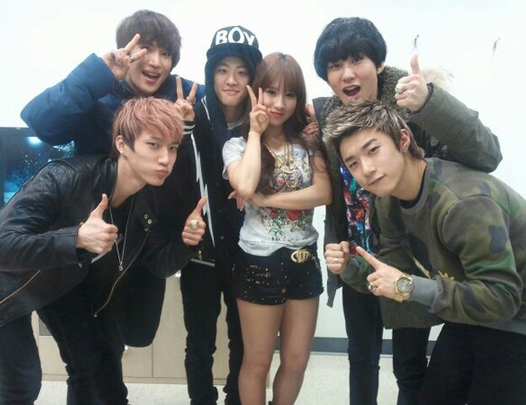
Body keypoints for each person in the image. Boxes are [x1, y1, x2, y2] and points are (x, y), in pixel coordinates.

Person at [312, 17, 502, 405]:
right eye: (335, 65)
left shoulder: (413, 103)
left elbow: (488, 154)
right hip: (357, 257)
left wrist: (432, 103)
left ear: (379, 63)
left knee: (409, 367)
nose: (347, 73)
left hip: (409, 261)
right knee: (360, 357)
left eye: (357, 59)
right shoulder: (326, 114)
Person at [0, 97, 207, 405]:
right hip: (3, 279)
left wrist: (186, 242)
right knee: (22, 381)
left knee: (92, 363)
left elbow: (158, 265)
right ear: (122, 144)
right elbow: (0, 249)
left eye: (172, 148)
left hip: (63, 277)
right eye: (153, 145)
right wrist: (76, 238)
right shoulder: (64, 177)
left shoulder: (147, 200)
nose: (166, 159)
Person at [324, 100, 526, 405]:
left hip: (517, 314)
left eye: (373, 150)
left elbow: (502, 298)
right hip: (475, 307)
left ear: (403, 139)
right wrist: (350, 267)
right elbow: (395, 269)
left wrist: (408, 287)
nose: (366, 169)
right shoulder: (388, 200)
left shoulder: (463, 203)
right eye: (353, 163)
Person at [222, 52, 331, 405]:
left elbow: (323, 192)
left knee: (297, 360)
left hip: (304, 259)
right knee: (257, 362)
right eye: (271, 92)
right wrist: (255, 132)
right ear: (256, 91)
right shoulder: (237, 145)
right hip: (259, 261)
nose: (279, 103)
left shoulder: (308, 142)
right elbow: (245, 184)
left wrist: (266, 199)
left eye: (289, 94)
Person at [173, 25, 262, 405]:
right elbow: (175, 174)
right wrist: (183, 128)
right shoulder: (193, 114)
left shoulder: (261, 121)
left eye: (242, 71)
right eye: (223, 70)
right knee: (199, 343)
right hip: (201, 253)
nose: (231, 80)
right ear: (211, 73)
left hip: (249, 251)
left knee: (243, 341)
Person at [20, 9, 203, 156]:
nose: (156, 62)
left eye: (166, 54)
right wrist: (95, 73)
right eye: (146, 48)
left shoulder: (186, 94)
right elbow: (41, 124)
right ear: (126, 49)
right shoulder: (97, 96)